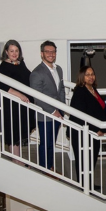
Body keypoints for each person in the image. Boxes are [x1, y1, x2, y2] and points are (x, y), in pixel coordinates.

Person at [0, 40, 36, 157]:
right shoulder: (3, 67)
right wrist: (21, 95)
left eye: (16, 51)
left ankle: (18, 159)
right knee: (14, 133)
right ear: (6, 52)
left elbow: (30, 77)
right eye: (11, 51)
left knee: (19, 133)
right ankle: (16, 160)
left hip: (22, 106)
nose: (14, 53)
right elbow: (3, 86)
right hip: (12, 106)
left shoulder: (20, 63)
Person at [68, 66, 106, 183]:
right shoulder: (80, 91)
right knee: (83, 161)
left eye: (92, 74)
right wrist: (96, 129)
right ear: (82, 77)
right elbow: (81, 115)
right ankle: (83, 187)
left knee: (91, 160)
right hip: (82, 133)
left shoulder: (93, 90)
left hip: (93, 132)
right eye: (88, 75)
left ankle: (88, 184)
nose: (91, 77)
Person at [30, 40, 65, 170]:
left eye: (53, 51)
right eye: (47, 51)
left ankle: (50, 167)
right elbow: (37, 97)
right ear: (42, 54)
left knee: (52, 143)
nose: (51, 54)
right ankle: (44, 168)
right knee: (46, 143)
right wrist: (52, 111)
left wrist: (61, 109)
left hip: (57, 113)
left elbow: (60, 90)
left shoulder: (59, 69)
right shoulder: (37, 72)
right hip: (44, 115)